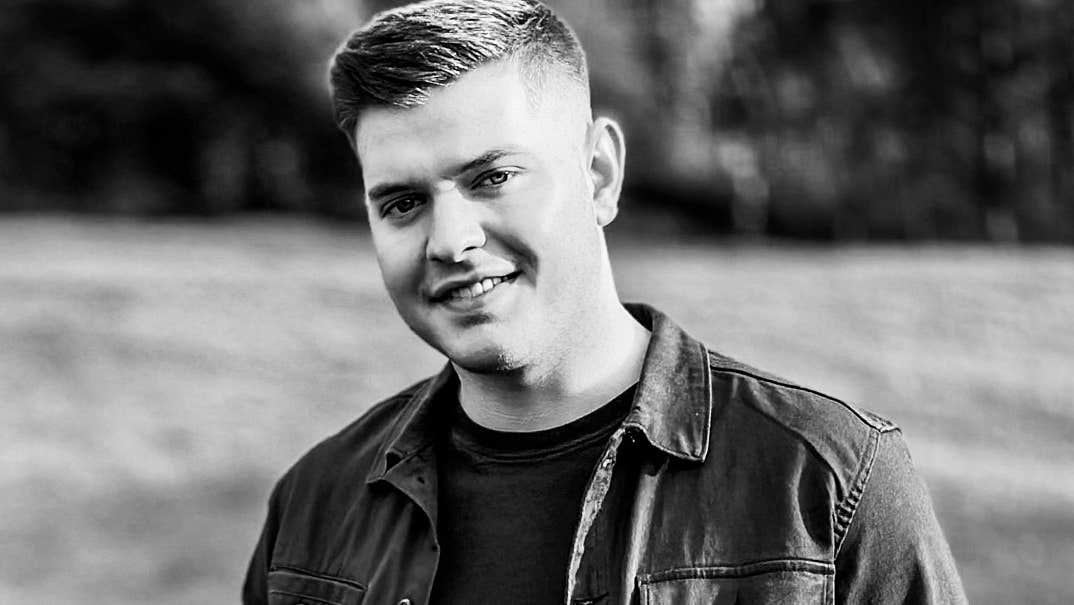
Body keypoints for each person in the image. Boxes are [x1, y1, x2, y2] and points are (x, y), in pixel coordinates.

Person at [243, 1, 967, 603]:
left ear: (599, 173)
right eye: (402, 203)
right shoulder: (313, 509)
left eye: (493, 177)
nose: (450, 240)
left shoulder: (828, 482)